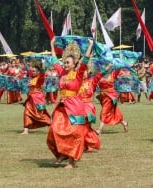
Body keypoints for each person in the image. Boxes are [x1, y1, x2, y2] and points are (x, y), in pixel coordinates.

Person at [46, 37, 93, 168]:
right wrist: (52, 44)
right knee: (54, 130)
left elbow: (85, 61)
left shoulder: (78, 74)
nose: (65, 65)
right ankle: (62, 153)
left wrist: (90, 45)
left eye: (68, 63)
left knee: (75, 134)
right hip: (62, 108)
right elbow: (54, 59)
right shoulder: (61, 73)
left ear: (73, 64)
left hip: (75, 107)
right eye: (64, 62)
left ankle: (71, 162)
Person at [95, 64, 129, 136]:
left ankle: (99, 130)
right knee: (112, 111)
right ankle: (124, 122)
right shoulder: (100, 75)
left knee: (104, 112)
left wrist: (118, 61)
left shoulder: (113, 74)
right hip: (103, 97)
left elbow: (119, 67)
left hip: (110, 97)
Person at [21, 60, 51, 134]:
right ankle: (25, 130)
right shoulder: (32, 77)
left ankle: (51, 124)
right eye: (32, 71)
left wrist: (43, 64)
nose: (32, 72)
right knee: (26, 112)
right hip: (30, 99)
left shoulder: (40, 78)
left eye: (34, 71)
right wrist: (25, 64)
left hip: (37, 99)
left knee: (40, 115)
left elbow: (43, 73)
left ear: (38, 72)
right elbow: (29, 71)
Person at [77, 68, 102, 152]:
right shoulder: (76, 81)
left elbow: (99, 75)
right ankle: (87, 144)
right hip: (78, 106)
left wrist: (106, 67)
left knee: (86, 125)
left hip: (88, 106)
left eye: (85, 72)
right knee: (80, 127)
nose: (83, 73)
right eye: (82, 72)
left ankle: (91, 143)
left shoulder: (92, 81)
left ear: (88, 72)